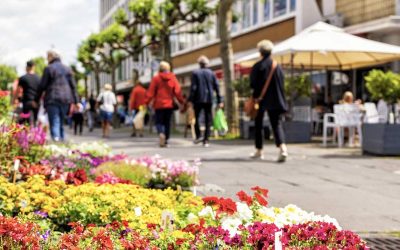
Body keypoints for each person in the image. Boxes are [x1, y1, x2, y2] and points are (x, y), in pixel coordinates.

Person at [250, 40, 288, 162]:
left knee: (258, 124)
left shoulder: (258, 66)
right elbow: (282, 84)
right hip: (276, 99)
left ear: (260, 52)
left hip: (260, 100)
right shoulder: (277, 66)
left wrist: (256, 97)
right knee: (276, 124)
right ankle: (282, 148)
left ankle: (259, 150)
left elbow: (253, 84)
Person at [37, 50, 78, 142]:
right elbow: (73, 87)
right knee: (60, 123)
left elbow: (42, 86)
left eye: (47, 56)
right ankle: (62, 143)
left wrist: (36, 99)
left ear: (51, 56)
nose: (47, 58)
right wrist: (76, 101)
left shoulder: (49, 68)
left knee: (55, 122)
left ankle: (57, 144)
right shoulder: (67, 69)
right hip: (66, 99)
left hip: (52, 98)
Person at [145, 61, 184, 147]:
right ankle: (166, 140)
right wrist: (181, 101)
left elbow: (150, 92)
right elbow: (177, 91)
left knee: (159, 122)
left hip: (158, 105)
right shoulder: (173, 78)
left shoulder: (156, 78)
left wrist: (147, 102)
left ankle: (161, 133)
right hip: (169, 104)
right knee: (167, 122)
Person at [188, 55, 223, 147]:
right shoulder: (212, 73)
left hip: (198, 99)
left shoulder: (195, 73)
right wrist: (220, 100)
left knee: (196, 117)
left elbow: (193, 88)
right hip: (209, 99)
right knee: (208, 119)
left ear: (199, 64)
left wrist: (190, 99)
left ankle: (199, 135)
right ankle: (206, 140)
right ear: (207, 64)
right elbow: (216, 87)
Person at [17, 60, 40, 126]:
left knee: (26, 120)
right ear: (34, 67)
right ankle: (33, 133)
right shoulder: (39, 78)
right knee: (34, 120)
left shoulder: (23, 78)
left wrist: (14, 100)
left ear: (27, 67)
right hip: (36, 102)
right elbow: (42, 91)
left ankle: (28, 134)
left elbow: (18, 91)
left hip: (27, 102)